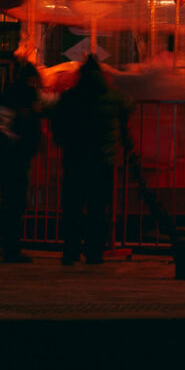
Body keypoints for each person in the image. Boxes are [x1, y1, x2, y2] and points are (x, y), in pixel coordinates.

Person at [50, 56, 128, 266]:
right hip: (103, 159)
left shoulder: (70, 97)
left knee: (73, 207)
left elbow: (57, 122)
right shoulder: (113, 97)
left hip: (75, 158)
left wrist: (63, 142)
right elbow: (127, 108)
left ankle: (71, 251)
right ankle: (95, 252)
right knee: (98, 208)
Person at [0, 56, 42, 263]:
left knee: (13, 200)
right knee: (14, 201)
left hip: (14, 155)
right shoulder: (19, 98)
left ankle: (7, 242)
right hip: (13, 156)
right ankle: (10, 246)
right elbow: (2, 125)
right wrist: (19, 142)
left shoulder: (19, 97)